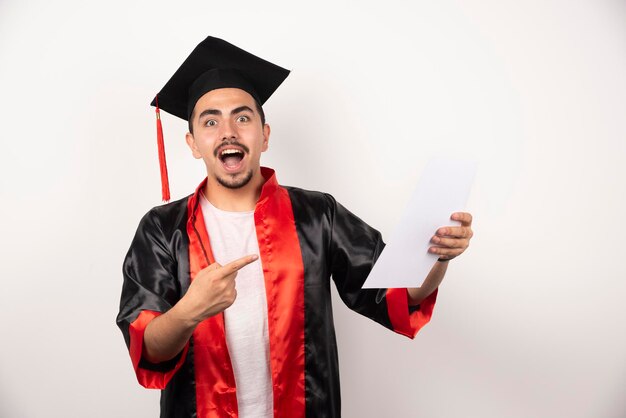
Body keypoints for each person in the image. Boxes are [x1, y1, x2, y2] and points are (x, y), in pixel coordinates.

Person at [116, 36, 473, 418]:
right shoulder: (162, 229)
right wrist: (191, 310)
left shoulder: (316, 214)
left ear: (264, 135)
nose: (228, 132)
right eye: (210, 121)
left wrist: (438, 255)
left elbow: (397, 293)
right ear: (192, 143)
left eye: (242, 117)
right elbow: (148, 347)